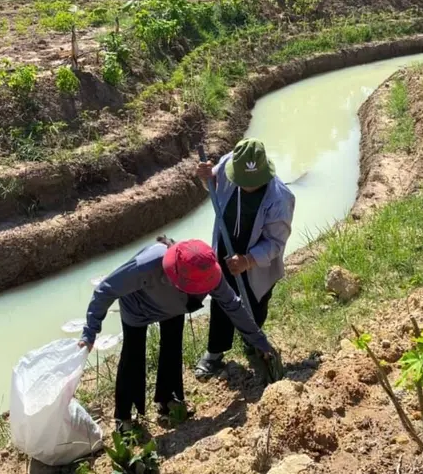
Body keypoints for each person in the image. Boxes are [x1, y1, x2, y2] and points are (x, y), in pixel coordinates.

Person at [78, 237, 276, 432]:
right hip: (138, 307)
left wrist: (260, 341)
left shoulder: (207, 270)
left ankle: (168, 400)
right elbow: (105, 290)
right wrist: (90, 333)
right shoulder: (146, 265)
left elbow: (233, 306)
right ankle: (124, 417)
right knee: (133, 355)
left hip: (176, 304)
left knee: (172, 348)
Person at [194, 138, 295, 379]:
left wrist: (248, 260)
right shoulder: (231, 164)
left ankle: (253, 342)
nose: (246, 186)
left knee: (254, 303)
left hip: (257, 263)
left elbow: (276, 243)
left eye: (252, 182)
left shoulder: (280, 198)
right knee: (221, 300)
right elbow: (213, 186)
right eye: (242, 181)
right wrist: (204, 176)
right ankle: (215, 354)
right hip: (225, 251)